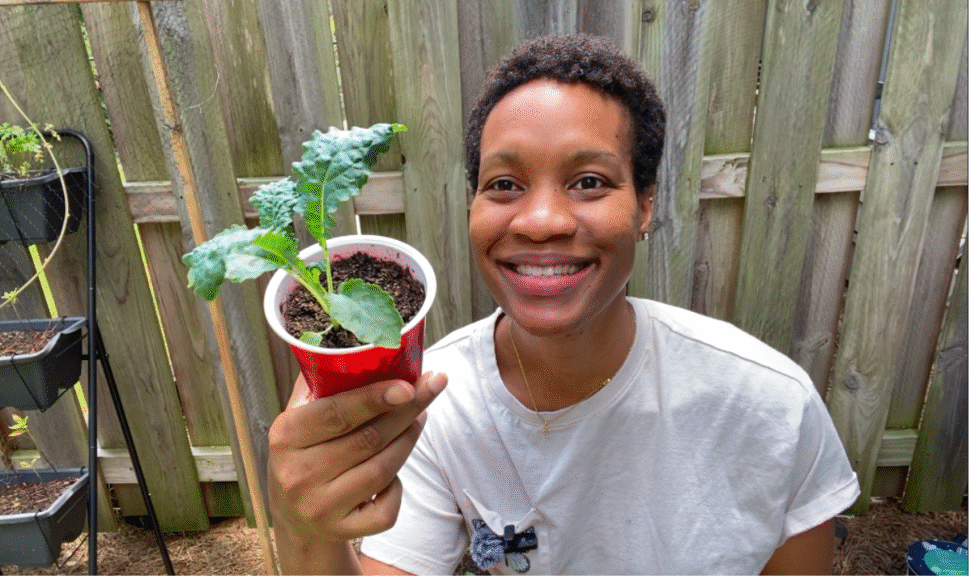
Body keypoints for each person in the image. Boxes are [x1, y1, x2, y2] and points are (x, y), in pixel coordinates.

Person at [267, 34, 859, 575]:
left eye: (589, 182)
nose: (542, 221)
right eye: (504, 185)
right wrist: (301, 528)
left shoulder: (770, 405)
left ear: (645, 205)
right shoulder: (430, 407)